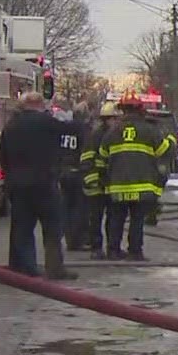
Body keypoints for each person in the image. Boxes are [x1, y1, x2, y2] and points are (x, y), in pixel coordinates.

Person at [0, 90, 74, 278]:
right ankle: (55, 268)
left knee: (22, 228)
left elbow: (2, 155)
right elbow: (67, 142)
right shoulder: (50, 123)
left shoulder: (11, 126)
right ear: (40, 104)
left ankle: (25, 269)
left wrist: (10, 176)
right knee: (53, 228)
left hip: (19, 185)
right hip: (45, 183)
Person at [95, 93, 174, 261]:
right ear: (140, 110)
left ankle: (113, 250)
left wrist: (102, 181)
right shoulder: (149, 130)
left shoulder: (112, 131)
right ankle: (135, 251)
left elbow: (101, 158)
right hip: (143, 185)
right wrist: (170, 138)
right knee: (137, 220)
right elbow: (165, 151)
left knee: (116, 219)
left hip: (117, 185)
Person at [79, 102, 115, 252]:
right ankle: (97, 248)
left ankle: (110, 248)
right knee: (96, 218)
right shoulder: (98, 135)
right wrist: (94, 180)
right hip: (97, 185)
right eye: (114, 119)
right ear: (107, 119)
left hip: (110, 183)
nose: (117, 122)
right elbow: (87, 158)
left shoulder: (111, 133)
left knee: (112, 219)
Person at [59, 101, 94, 252]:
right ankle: (78, 240)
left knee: (66, 207)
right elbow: (87, 151)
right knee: (80, 208)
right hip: (78, 172)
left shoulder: (64, 128)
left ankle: (69, 239)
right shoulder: (84, 130)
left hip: (63, 172)